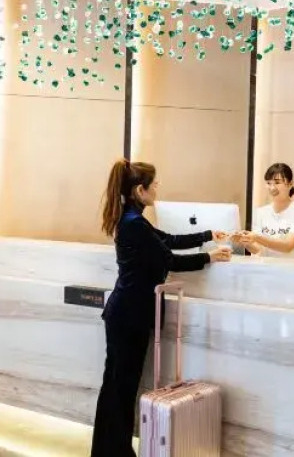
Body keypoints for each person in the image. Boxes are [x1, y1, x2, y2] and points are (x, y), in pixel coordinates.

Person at [90, 159, 231, 457]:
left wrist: (207, 235)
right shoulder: (133, 223)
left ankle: (108, 451)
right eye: (154, 185)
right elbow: (170, 260)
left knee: (116, 387)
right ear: (140, 190)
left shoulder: (133, 220)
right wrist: (210, 258)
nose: (158, 189)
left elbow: (166, 240)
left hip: (126, 315)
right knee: (120, 389)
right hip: (129, 316)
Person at [233, 163, 294, 259]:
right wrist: (245, 242)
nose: (272, 188)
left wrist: (256, 237)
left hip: (291, 267)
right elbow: (258, 249)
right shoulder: (260, 212)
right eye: (269, 183)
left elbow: (288, 246)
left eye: (277, 182)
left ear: (290, 184)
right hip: (266, 266)